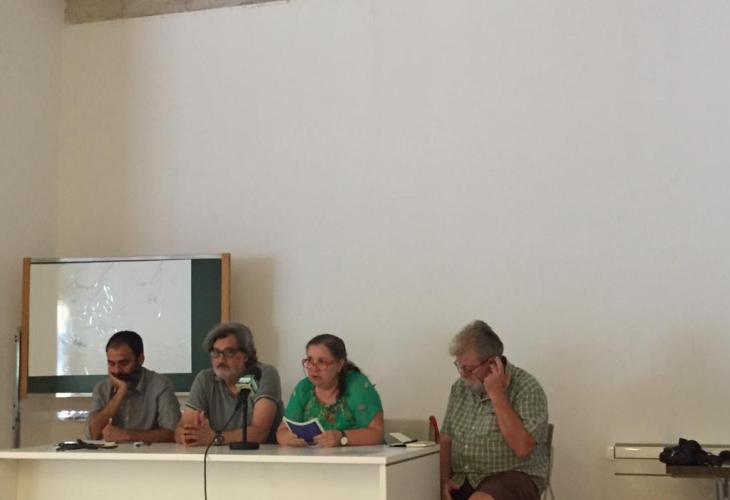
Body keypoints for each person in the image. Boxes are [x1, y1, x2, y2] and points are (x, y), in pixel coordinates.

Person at [440, 320, 549, 500]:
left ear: (492, 363)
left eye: (468, 368)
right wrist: (443, 479)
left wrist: (497, 395)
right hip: (463, 478)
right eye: (458, 365)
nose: (462, 374)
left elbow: (522, 447)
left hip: (513, 477)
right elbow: (446, 439)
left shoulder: (527, 387)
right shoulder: (460, 388)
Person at [176, 322, 283, 446]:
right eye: (216, 353)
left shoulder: (261, 374)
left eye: (229, 352)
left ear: (246, 355)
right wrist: (185, 434)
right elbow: (183, 427)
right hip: (218, 455)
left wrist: (215, 438)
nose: (221, 359)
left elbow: (259, 433)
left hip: (261, 455)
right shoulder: (206, 379)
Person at [276, 333, 384, 447]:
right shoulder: (304, 388)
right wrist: (287, 438)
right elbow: (282, 430)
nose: (314, 368)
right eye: (310, 360)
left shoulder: (358, 385)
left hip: (361, 456)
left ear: (339, 364)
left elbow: (376, 433)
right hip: (315, 456)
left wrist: (342, 437)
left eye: (321, 362)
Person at [86, 330, 180, 442]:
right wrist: (120, 392)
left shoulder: (160, 385)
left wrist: (127, 435)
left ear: (140, 359)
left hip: (149, 452)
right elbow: (94, 434)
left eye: (124, 363)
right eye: (111, 364)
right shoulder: (101, 388)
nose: (117, 371)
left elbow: (173, 433)